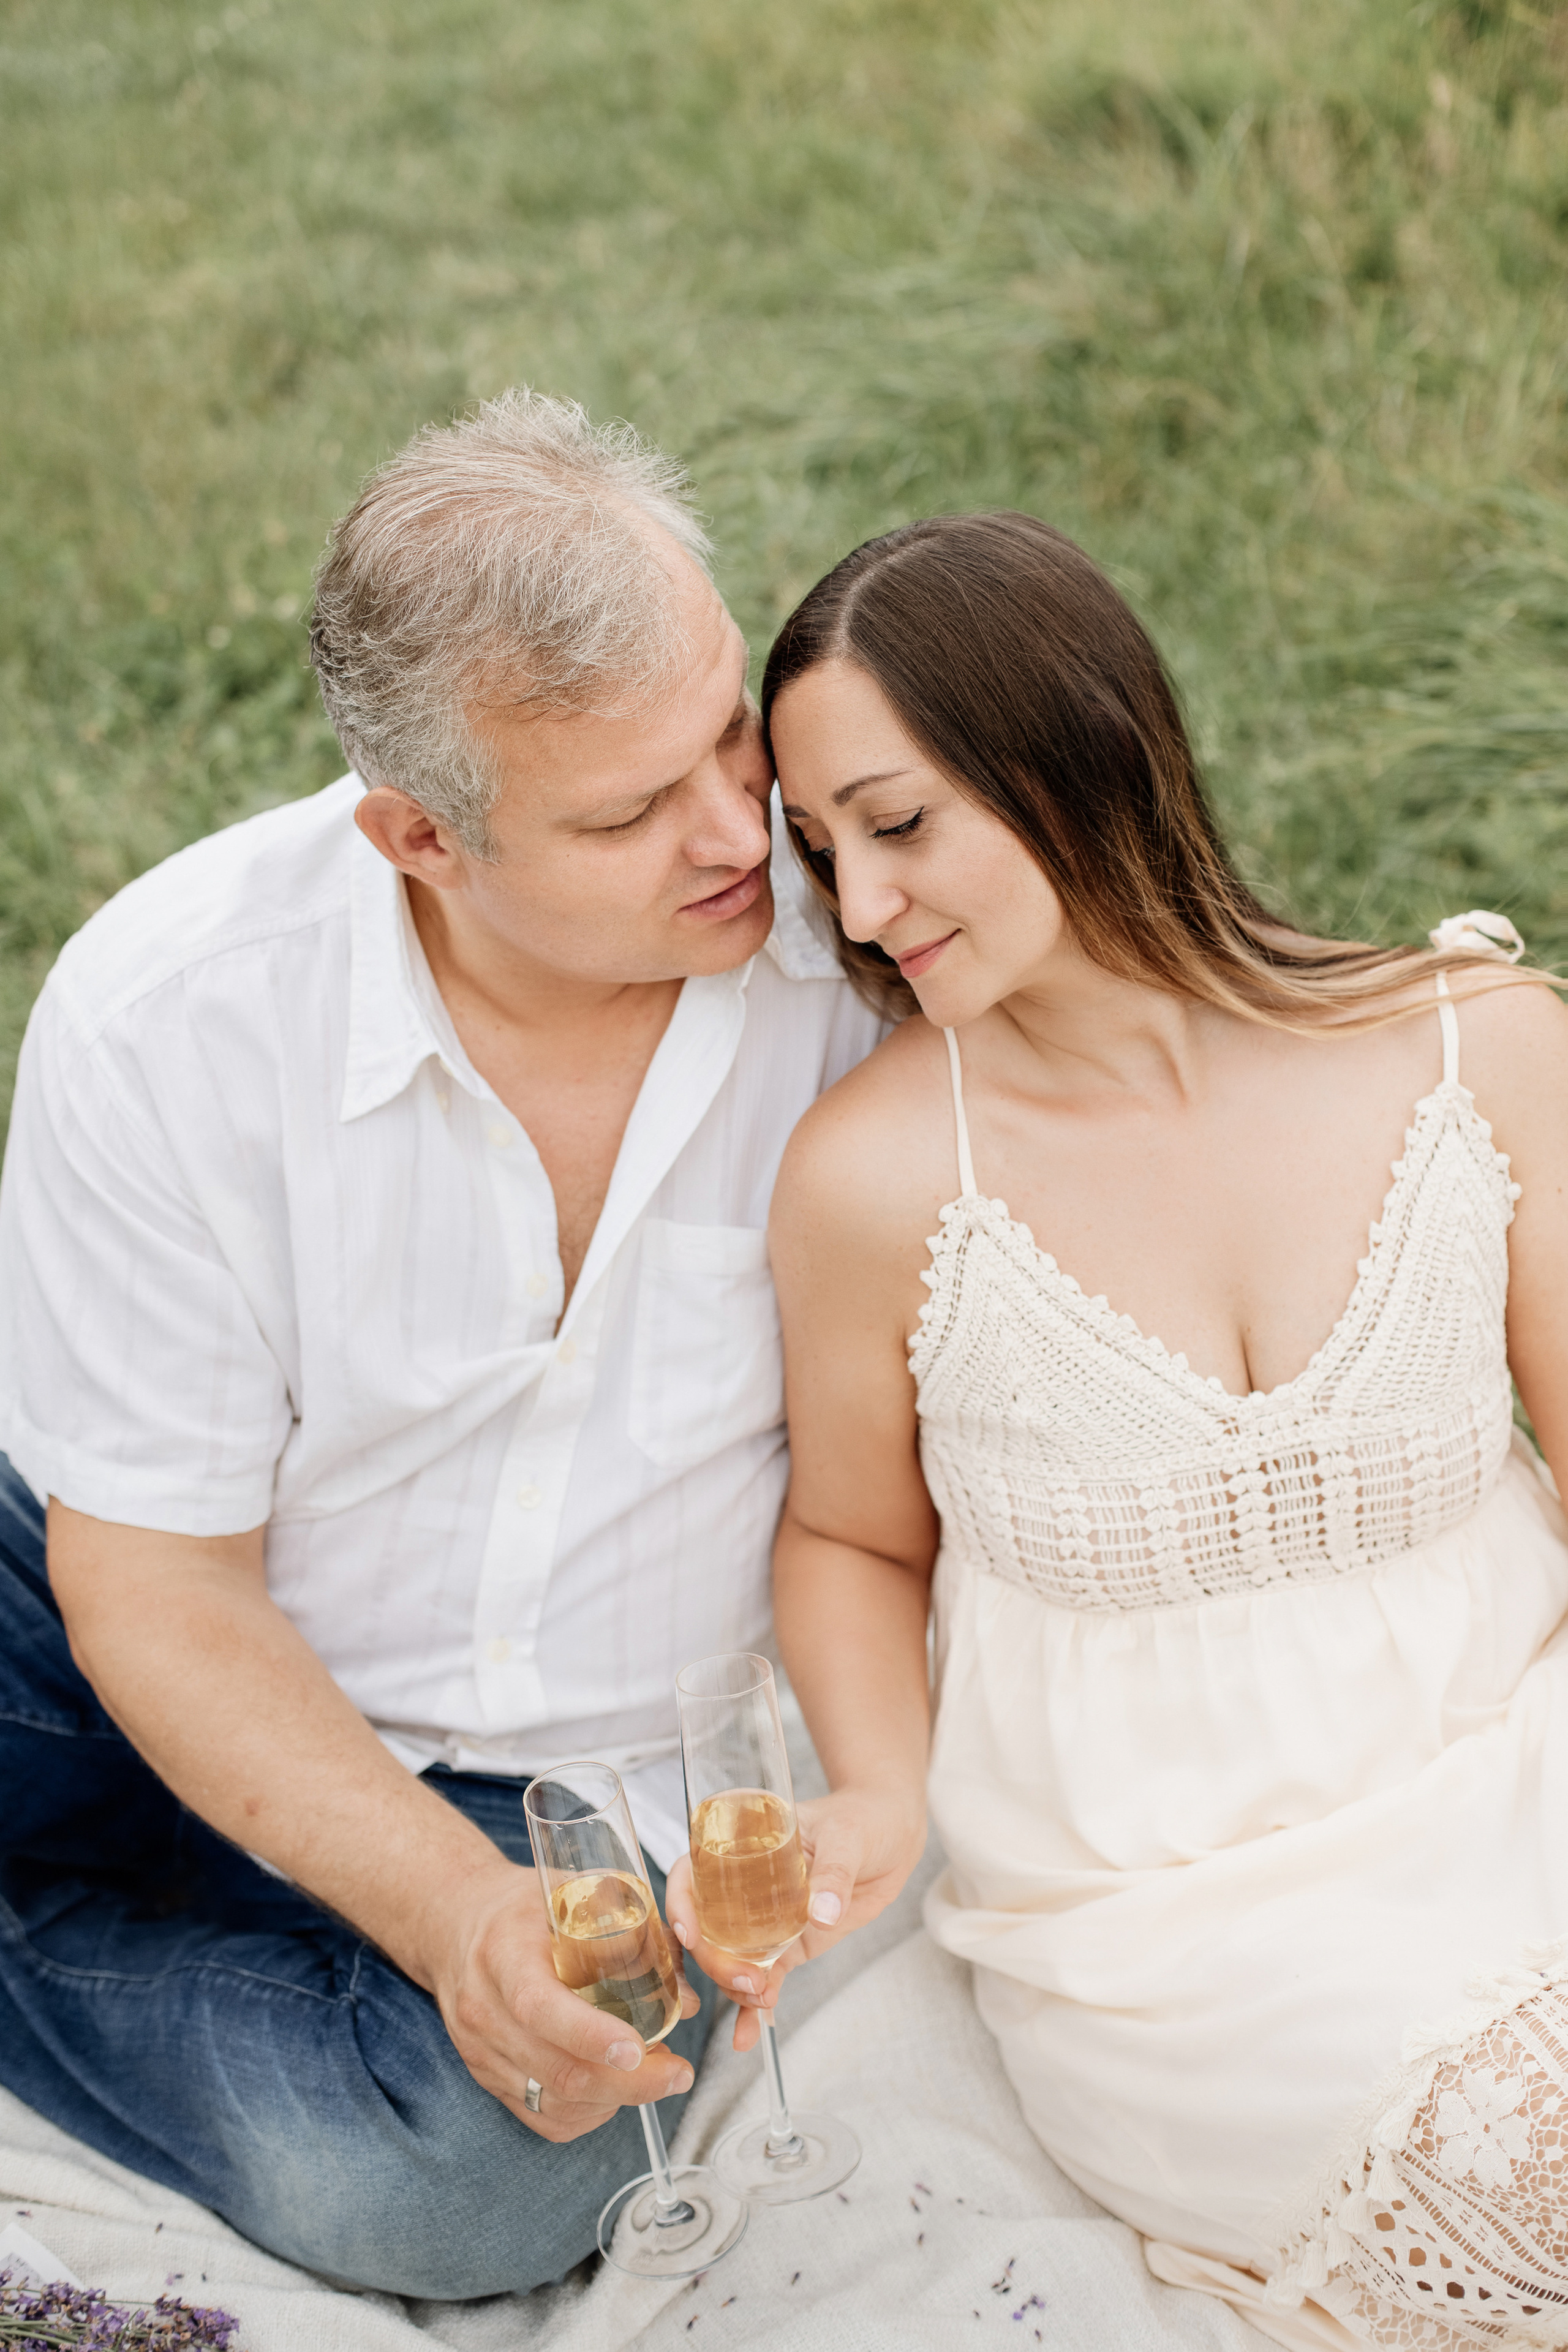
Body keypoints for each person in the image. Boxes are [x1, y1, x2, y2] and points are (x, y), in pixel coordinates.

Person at [0, 390, 882, 2299]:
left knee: (473, 2189)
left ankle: (93, 1949)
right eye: (632, 811)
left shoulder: (863, 960)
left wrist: (491, 1914)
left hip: (562, 1769)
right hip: (130, 1615)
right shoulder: (170, 1011)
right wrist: (440, 1916)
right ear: (419, 835)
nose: (740, 828)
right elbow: (150, 1584)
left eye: (727, 726)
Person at [752, 510, 1568, 2350]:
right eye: (821, 855)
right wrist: (882, 1788)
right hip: (1182, 1919)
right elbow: (851, 1538)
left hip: (1522, 1747)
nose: (863, 910)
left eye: (897, 825)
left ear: (1072, 746)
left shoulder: (1479, 1043)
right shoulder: (879, 1179)